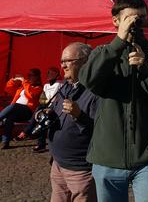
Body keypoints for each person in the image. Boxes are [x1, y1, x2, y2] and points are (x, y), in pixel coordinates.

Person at [79, 0, 148, 202]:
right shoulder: (103, 53)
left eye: (141, 18)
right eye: (131, 18)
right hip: (108, 157)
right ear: (116, 20)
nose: (137, 24)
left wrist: (145, 69)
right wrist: (118, 42)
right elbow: (89, 80)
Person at [48, 42, 98, 202]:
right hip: (58, 164)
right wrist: (44, 113)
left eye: (67, 61)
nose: (62, 66)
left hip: (81, 170)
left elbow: (103, 133)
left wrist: (79, 116)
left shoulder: (97, 91)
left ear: (85, 61)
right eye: (62, 61)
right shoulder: (66, 86)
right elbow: (55, 111)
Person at [17, 66, 64, 151]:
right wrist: (44, 104)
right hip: (45, 106)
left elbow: (61, 98)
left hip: (55, 107)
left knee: (42, 115)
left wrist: (50, 107)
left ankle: (27, 132)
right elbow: (42, 99)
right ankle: (38, 141)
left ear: (56, 74)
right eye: (48, 72)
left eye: (51, 72)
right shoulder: (46, 86)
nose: (48, 74)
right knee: (40, 114)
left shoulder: (60, 84)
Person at [1, 68, 43, 149]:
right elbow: (8, 89)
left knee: (14, 106)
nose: (29, 77)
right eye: (28, 75)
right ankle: (5, 142)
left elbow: (30, 95)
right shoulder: (23, 87)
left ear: (37, 77)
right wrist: (14, 80)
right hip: (17, 111)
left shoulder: (39, 88)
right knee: (10, 118)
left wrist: (25, 82)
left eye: (31, 75)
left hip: (28, 112)